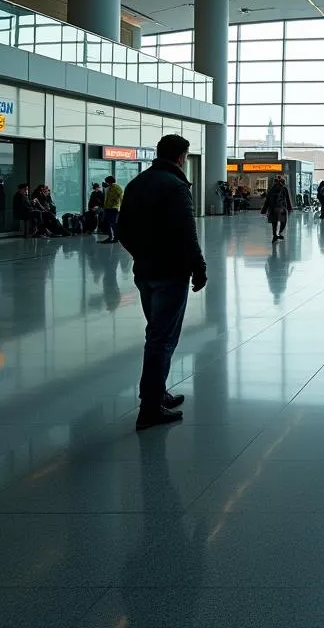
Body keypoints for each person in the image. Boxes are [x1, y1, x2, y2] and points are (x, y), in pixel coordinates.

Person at [116, 134, 207, 431]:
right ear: (181, 156)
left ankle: (158, 393)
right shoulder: (176, 186)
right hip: (171, 272)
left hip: (145, 272)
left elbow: (123, 230)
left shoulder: (136, 183)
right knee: (162, 338)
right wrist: (199, 267)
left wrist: (142, 255)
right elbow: (186, 232)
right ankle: (150, 406)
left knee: (156, 332)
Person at [262, 175, 293, 242]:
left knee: (274, 223)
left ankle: (274, 235)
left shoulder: (271, 189)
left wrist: (264, 210)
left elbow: (267, 200)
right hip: (281, 208)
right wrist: (289, 208)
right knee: (283, 222)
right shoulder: (284, 188)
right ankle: (280, 233)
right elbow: (287, 199)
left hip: (273, 208)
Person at [101, 175, 123, 243]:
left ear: (109, 181)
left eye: (107, 181)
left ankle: (115, 238)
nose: (106, 183)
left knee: (113, 223)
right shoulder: (109, 187)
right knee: (108, 223)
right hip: (107, 207)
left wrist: (121, 206)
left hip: (113, 208)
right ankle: (110, 237)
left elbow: (121, 197)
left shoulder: (116, 187)